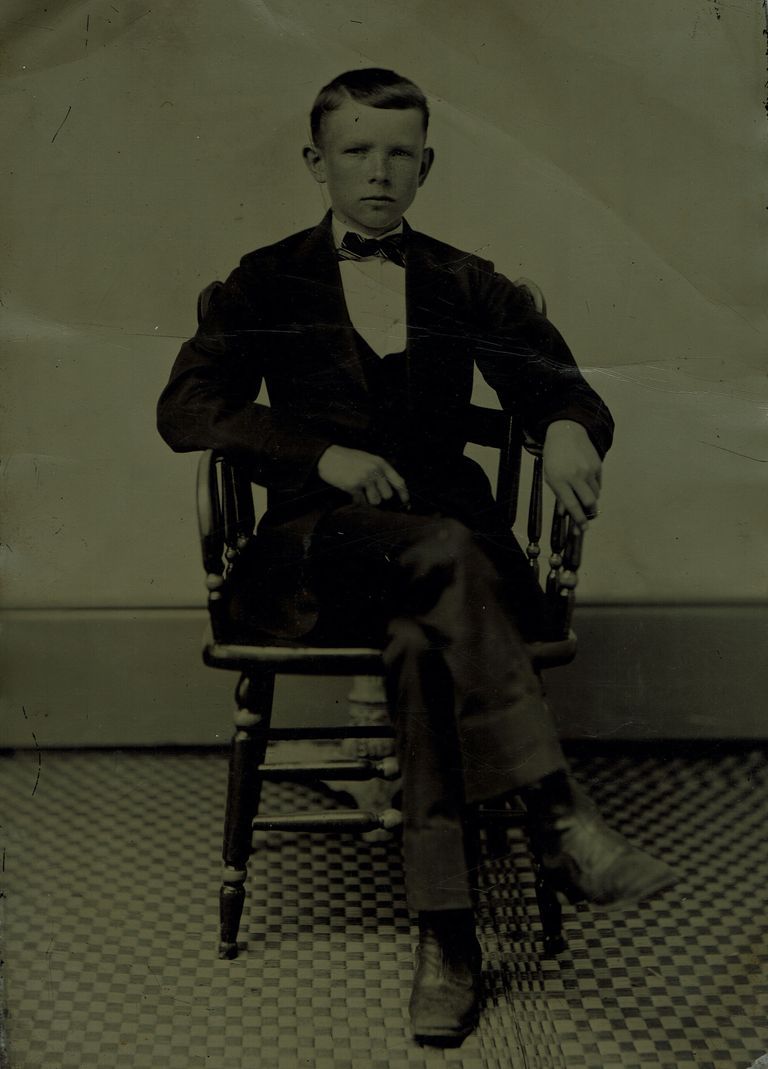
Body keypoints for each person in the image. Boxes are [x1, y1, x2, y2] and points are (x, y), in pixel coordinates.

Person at [157, 68, 675, 1047]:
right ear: (317, 162)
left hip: (448, 568)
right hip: (317, 557)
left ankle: (447, 940)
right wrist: (320, 453)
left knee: (421, 641)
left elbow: (555, 380)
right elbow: (185, 409)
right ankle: (558, 813)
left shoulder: (462, 279)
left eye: (400, 152)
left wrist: (565, 425)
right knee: (439, 560)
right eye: (356, 150)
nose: (379, 171)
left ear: (427, 164)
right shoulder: (265, 280)